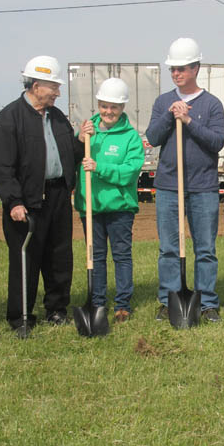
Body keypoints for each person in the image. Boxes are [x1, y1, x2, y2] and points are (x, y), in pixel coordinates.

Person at [0, 55, 85, 330]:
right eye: (53, 86)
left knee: (59, 257)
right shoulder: (9, 119)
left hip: (58, 197)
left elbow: (68, 154)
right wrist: (13, 201)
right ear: (34, 85)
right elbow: (2, 168)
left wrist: (80, 142)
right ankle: (20, 317)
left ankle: (56, 309)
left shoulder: (57, 117)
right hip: (27, 201)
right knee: (26, 260)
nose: (57, 92)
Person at [145, 38, 224, 322]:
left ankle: (207, 303)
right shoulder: (163, 101)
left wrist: (189, 122)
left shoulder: (212, 104)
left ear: (196, 68)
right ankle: (169, 300)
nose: (176, 74)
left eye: (181, 68)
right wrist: (171, 116)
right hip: (168, 185)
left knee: (205, 248)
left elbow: (217, 142)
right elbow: (153, 137)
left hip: (203, 187)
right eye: (172, 69)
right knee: (168, 248)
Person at [74, 78, 145, 323]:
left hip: (119, 207)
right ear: (98, 105)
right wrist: (81, 141)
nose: (108, 112)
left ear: (122, 108)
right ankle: (97, 301)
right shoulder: (87, 131)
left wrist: (100, 167)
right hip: (91, 206)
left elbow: (130, 171)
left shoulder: (130, 137)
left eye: (114, 107)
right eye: (104, 106)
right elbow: (73, 159)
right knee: (96, 255)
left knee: (122, 255)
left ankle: (123, 304)